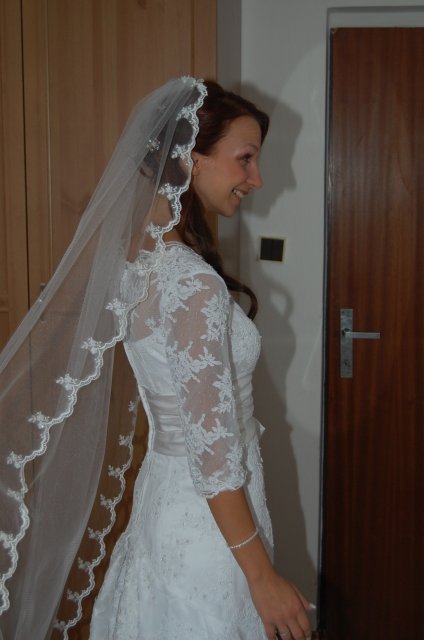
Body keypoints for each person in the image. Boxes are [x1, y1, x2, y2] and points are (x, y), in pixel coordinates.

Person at [0, 77, 312, 640]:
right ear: (192, 159)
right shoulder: (191, 284)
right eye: (245, 159)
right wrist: (261, 575)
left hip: (168, 506)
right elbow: (212, 456)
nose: (257, 179)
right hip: (210, 531)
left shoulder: (145, 266)